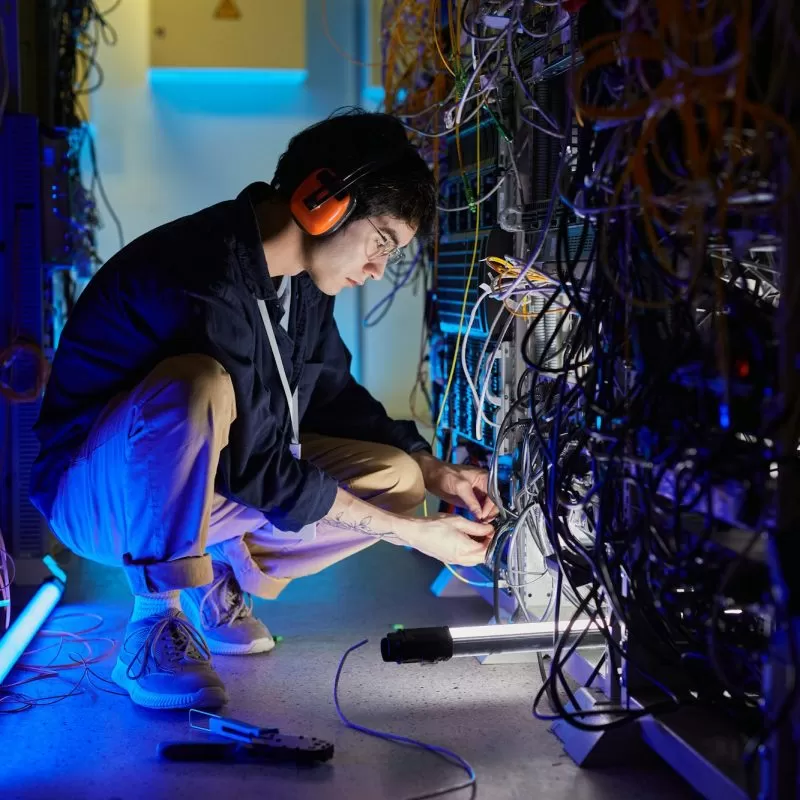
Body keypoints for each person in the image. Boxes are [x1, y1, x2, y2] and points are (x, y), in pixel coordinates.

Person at [29, 109, 497, 711]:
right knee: (194, 385)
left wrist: (434, 470)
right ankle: (152, 623)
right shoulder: (205, 274)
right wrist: (412, 535)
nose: (379, 270)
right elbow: (256, 469)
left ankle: (214, 570)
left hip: (198, 484)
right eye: (382, 242)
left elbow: (331, 394)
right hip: (93, 492)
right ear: (322, 199)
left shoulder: (298, 280)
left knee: (397, 478)